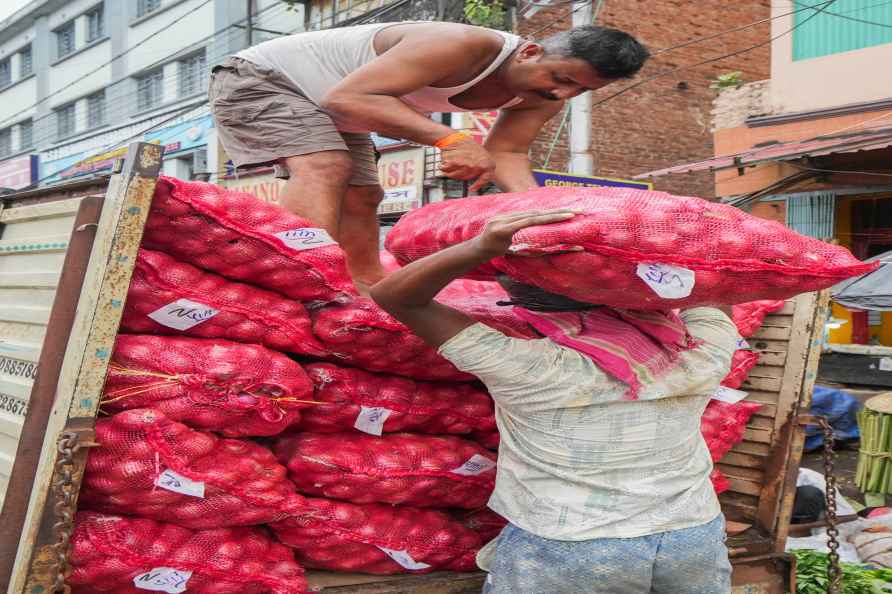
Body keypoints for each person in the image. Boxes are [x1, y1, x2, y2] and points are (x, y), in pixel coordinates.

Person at [370, 211, 738, 593]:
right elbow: (711, 294)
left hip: (571, 546)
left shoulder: (530, 366)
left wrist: (481, 247)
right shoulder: (702, 352)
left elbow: (396, 297)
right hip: (693, 537)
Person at [209, 23, 648, 290]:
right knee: (326, 167)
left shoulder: (544, 95)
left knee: (364, 197)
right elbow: (347, 98)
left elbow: (508, 153)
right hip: (267, 80)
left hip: (343, 106)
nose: (563, 93)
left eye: (581, 91)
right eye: (561, 78)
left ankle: (363, 284)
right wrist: (451, 141)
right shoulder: (459, 45)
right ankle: (296, 275)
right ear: (531, 51)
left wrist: (539, 213)